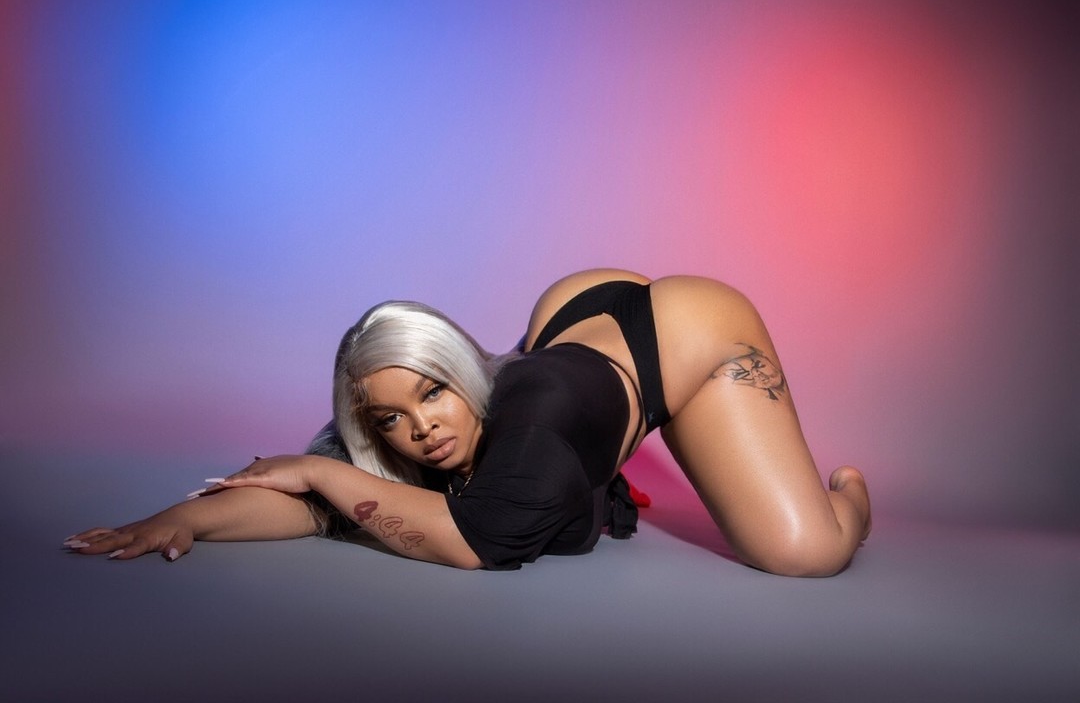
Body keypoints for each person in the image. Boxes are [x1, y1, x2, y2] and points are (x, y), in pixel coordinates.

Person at [64, 269, 870, 576]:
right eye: (391, 416)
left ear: (458, 371)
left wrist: (311, 468)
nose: (421, 429)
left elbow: (467, 541)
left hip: (684, 333)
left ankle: (851, 495)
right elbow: (324, 503)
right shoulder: (417, 430)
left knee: (803, 552)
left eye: (434, 393)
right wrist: (184, 519)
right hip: (570, 316)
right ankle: (595, 450)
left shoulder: (530, 439)